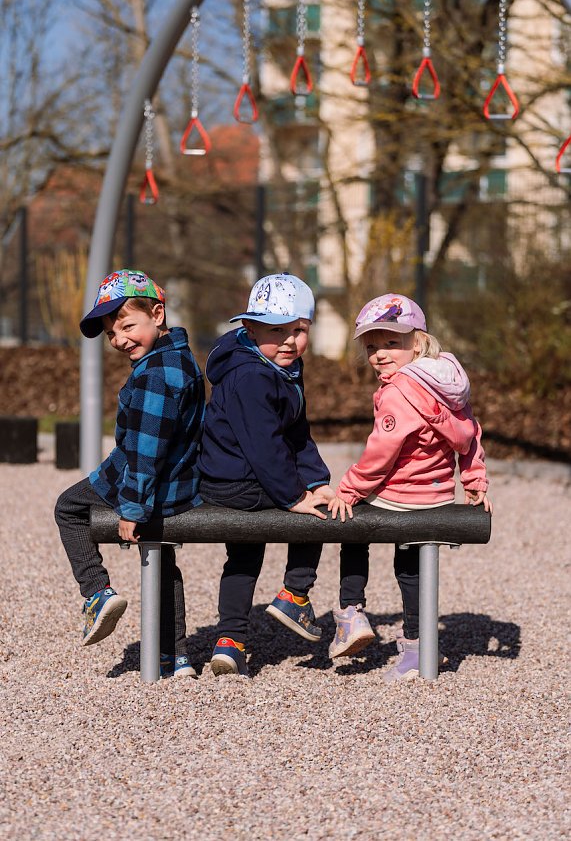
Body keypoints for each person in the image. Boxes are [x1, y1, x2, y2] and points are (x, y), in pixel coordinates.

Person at [328, 292, 492, 681]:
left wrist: (349, 489)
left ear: (416, 342)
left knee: (350, 527)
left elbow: (381, 453)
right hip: (435, 495)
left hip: (399, 495)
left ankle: (350, 612)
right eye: (372, 347)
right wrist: (474, 480)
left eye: (391, 343)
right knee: (410, 566)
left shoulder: (398, 391)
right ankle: (419, 646)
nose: (380, 354)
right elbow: (470, 435)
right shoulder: (448, 381)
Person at [55, 270, 205, 678]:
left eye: (127, 326)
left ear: (157, 315)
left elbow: (145, 448)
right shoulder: (179, 357)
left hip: (145, 482)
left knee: (68, 508)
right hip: (179, 482)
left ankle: (97, 592)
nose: (120, 339)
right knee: (162, 559)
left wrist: (133, 507)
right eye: (111, 334)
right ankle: (176, 656)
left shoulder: (156, 374)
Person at [198, 272, 334, 677]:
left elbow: (296, 432)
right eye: (277, 330)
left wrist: (317, 480)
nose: (290, 340)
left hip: (241, 476)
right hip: (236, 481)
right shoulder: (252, 376)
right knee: (317, 514)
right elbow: (265, 446)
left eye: (299, 330)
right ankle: (295, 593)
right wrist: (296, 496)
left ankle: (230, 641)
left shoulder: (281, 365)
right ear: (251, 328)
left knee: (245, 553)